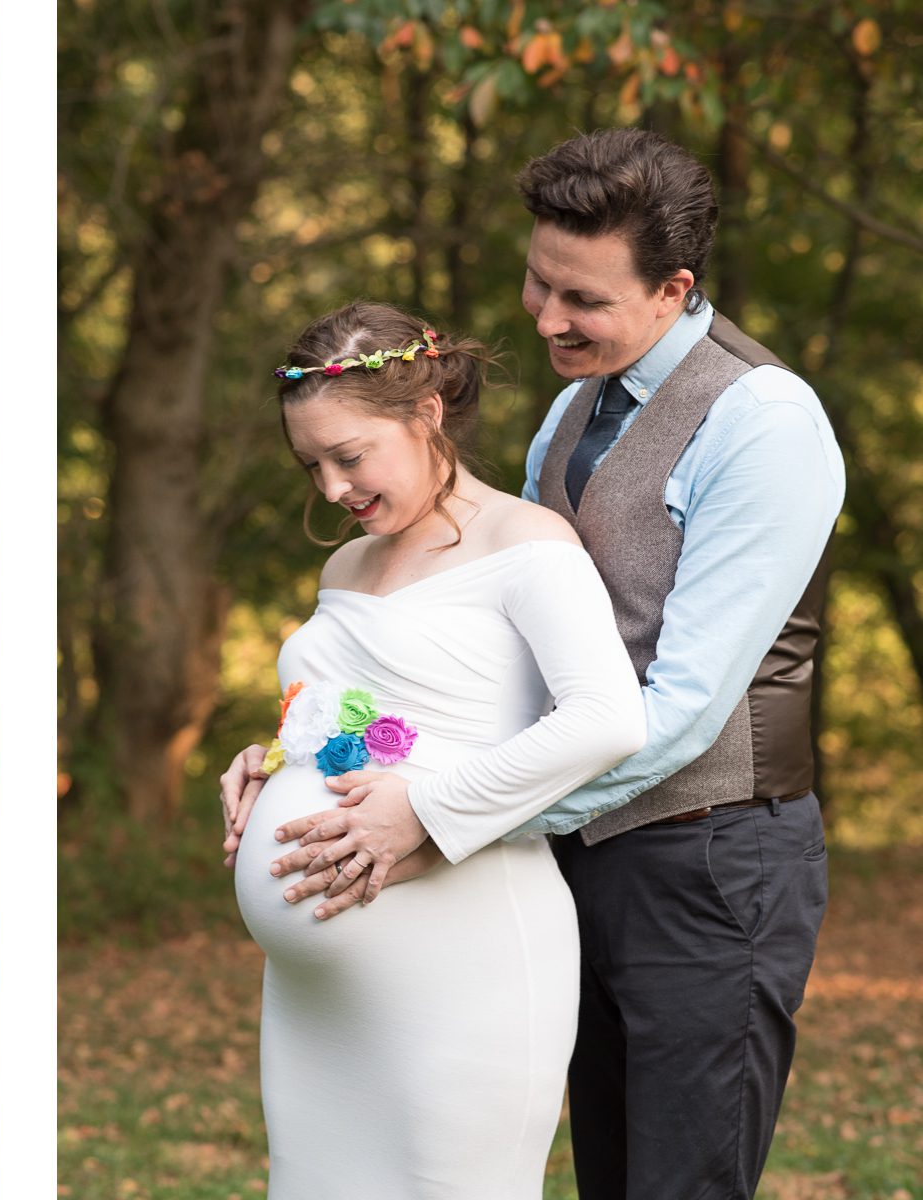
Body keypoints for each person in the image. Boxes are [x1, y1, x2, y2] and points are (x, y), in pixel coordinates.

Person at [223, 129, 842, 1200]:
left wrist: (443, 816)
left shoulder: (764, 421)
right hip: (579, 850)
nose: (548, 319)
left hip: (711, 856)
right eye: (538, 282)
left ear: (674, 289)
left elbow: (682, 707)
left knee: (682, 1181)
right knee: (608, 1172)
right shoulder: (571, 410)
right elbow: (490, 656)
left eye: (583, 299)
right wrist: (306, 758)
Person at [229, 299, 646, 1198]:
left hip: (466, 958)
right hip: (316, 1001)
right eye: (312, 466)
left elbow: (607, 717)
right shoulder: (346, 565)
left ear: (426, 414)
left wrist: (424, 806)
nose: (332, 489)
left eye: (350, 456)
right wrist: (273, 761)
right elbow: (361, 713)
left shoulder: (527, 542)